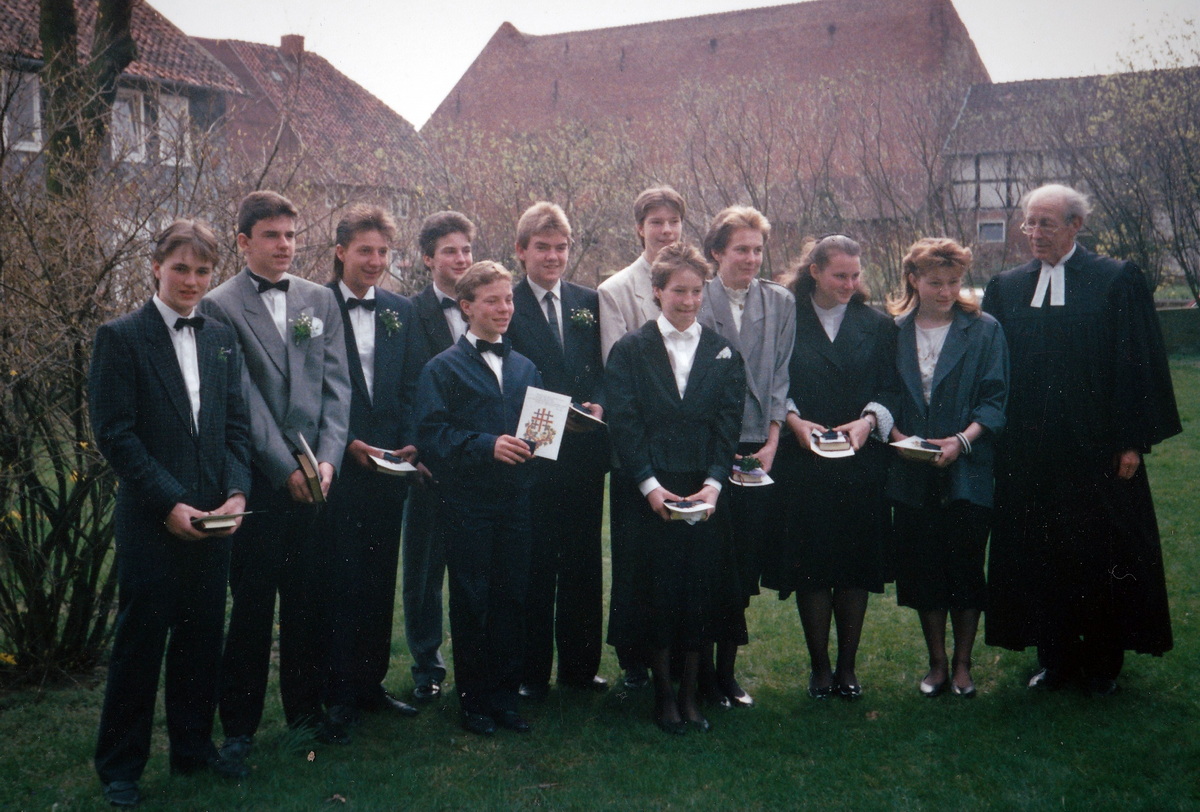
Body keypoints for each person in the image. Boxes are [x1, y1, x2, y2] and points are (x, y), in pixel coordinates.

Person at [983, 184, 1181, 695]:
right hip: (1029, 453)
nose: (1035, 233)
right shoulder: (1005, 286)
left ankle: (1101, 662)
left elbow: (1136, 365)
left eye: (1047, 223)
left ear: (1076, 226)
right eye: (1029, 223)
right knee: (1041, 552)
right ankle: (1054, 658)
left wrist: (1132, 440)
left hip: (1096, 452)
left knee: (1100, 552)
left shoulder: (1116, 280)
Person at [90, 220, 252, 808]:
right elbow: (115, 433)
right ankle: (120, 767)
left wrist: (236, 494)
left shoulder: (220, 338)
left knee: (202, 639)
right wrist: (167, 502)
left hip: (213, 519)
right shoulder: (122, 336)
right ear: (155, 267)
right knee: (140, 644)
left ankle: (191, 749)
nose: (191, 280)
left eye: (202, 271)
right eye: (180, 268)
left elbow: (235, 426)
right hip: (153, 521)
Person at [200, 191, 351, 764]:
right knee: (254, 607)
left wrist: (328, 460)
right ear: (243, 241)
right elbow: (242, 401)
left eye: (291, 235)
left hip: (318, 478)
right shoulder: (220, 306)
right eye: (271, 236)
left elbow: (338, 389)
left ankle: (305, 713)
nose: (285, 246)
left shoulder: (318, 299)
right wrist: (284, 468)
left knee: (309, 600)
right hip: (261, 481)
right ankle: (238, 726)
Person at [605, 242, 746, 735]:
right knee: (658, 594)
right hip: (649, 492)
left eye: (695, 291)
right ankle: (664, 696)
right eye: (677, 291)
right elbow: (624, 424)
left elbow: (728, 425)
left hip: (704, 492)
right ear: (657, 292)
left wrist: (712, 486)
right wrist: (650, 487)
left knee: (700, 593)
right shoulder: (630, 350)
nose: (687, 301)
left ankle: (691, 696)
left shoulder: (724, 352)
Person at [763, 234, 898, 701]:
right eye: (840, 275)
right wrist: (795, 421)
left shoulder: (878, 325)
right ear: (815, 271)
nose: (849, 284)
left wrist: (867, 422)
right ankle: (820, 668)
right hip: (805, 462)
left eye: (855, 275)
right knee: (813, 567)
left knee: (854, 567)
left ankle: (848, 667)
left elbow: (891, 388)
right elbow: (772, 379)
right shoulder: (787, 320)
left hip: (860, 464)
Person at [414, 261, 543, 736]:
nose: (504, 308)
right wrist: (487, 445)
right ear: (467, 307)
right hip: (467, 503)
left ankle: (505, 699)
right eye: (493, 301)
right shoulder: (442, 369)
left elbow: (538, 433)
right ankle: (473, 701)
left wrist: (545, 436)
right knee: (472, 597)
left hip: (516, 501)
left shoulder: (527, 366)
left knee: (512, 595)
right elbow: (432, 436)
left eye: (508, 299)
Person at [885, 238, 1008, 698]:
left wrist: (961, 442)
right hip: (911, 470)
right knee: (923, 570)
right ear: (913, 279)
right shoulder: (893, 330)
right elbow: (885, 396)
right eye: (935, 282)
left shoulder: (984, 329)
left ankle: (962, 665)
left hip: (967, 469)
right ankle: (936, 664)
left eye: (954, 282)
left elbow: (996, 400)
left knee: (965, 567)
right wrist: (898, 440)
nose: (945, 291)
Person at [320, 205, 421, 743]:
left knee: (382, 578)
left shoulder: (399, 310)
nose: (376, 261)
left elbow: (409, 384)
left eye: (384, 252)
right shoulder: (314, 306)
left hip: (389, 467)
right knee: (343, 579)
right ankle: (337, 692)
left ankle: (370, 683)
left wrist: (407, 442)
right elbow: (313, 388)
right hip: (340, 466)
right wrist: (347, 442)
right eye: (365, 251)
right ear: (341, 252)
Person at [506, 202, 609, 699]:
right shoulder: (506, 301)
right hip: (534, 452)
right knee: (536, 563)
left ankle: (581, 668)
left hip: (586, 453)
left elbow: (607, 368)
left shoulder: (588, 299)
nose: (552, 257)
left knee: (584, 563)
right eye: (542, 247)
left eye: (560, 248)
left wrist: (599, 405)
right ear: (521, 251)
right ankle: (530, 673)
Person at [696, 206, 795, 708]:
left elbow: (780, 375)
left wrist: (774, 438)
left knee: (743, 565)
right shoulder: (697, 297)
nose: (751, 259)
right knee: (709, 561)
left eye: (758, 250)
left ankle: (727, 673)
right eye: (741, 249)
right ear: (717, 253)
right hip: (709, 444)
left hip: (760, 444)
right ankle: (698, 676)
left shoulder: (780, 302)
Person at [598, 185, 686, 691]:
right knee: (636, 556)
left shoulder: (697, 283)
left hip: (687, 443)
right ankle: (634, 659)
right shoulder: (616, 290)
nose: (666, 230)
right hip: (640, 440)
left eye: (673, 220)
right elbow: (619, 371)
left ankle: (679, 654)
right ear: (640, 227)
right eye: (656, 221)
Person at [401, 211, 476, 703]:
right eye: (450, 250)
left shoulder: (491, 305)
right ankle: (427, 665)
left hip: (478, 462)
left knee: (475, 569)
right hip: (429, 466)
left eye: (467, 249)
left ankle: (478, 661)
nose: (461, 258)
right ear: (428, 259)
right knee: (424, 573)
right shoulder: (408, 314)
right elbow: (401, 387)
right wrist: (417, 451)